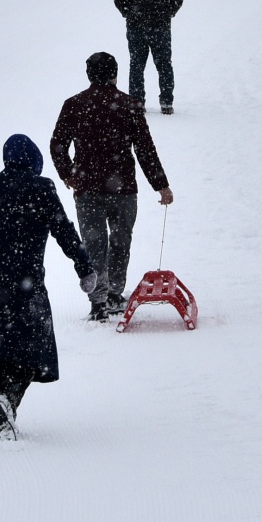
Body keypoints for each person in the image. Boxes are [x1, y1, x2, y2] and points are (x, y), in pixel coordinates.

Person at [0, 135, 97, 439]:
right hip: (22, 280)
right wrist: (84, 266)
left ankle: (3, 418)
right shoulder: (41, 187)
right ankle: (8, 401)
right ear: (33, 160)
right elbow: (64, 229)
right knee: (34, 349)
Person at [49, 53, 174, 322]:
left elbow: (57, 145)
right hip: (123, 189)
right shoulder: (128, 105)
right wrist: (161, 184)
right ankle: (115, 294)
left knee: (94, 245)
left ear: (89, 75)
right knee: (120, 242)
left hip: (88, 188)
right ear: (115, 74)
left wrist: (69, 174)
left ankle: (98, 302)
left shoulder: (74, 105)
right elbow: (145, 149)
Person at [113, 0, 183, 112]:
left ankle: (137, 102)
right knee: (164, 65)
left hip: (136, 28)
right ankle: (166, 102)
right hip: (160, 27)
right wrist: (167, 13)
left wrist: (129, 13)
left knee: (136, 65)